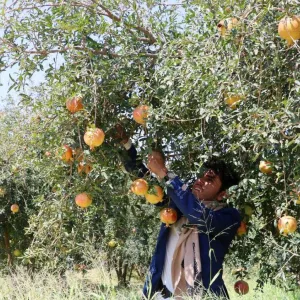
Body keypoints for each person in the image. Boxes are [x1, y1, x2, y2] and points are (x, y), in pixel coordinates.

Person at [115, 125, 241, 299]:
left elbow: (200, 217)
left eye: (209, 179)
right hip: (162, 295)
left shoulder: (229, 217)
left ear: (222, 194)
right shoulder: (177, 207)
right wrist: (126, 145)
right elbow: (145, 183)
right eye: (202, 175)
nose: (200, 181)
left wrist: (165, 174)